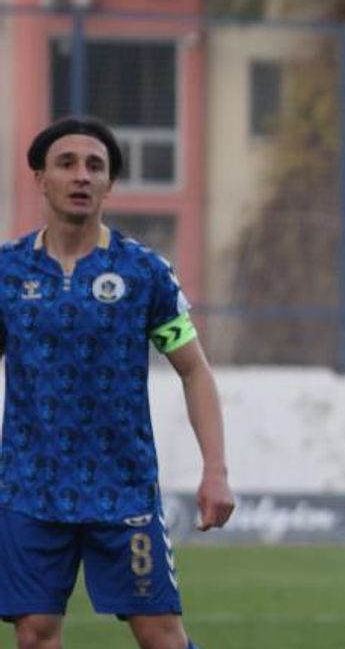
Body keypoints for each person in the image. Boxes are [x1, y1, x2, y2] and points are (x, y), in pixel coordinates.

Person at [0, 117, 235, 649]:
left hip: (121, 490)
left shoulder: (143, 273)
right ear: (40, 178)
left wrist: (215, 471)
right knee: (34, 634)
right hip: (29, 489)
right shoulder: (8, 273)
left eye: (95, 166)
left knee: (161, 638)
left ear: (109, 184)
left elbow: (194, 369)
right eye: (66, 164)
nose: (81, 175)